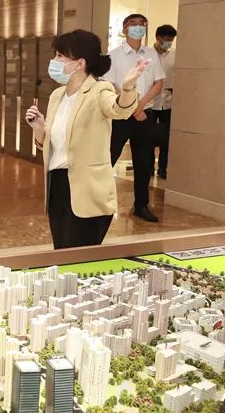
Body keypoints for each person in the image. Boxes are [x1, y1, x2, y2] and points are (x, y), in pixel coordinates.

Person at [25, 30, 147, 249]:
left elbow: (119, 109)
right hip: (57, 186)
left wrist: (128, 87)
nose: (54, 61)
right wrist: (40, 129)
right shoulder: (57, 96)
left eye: (60, 56)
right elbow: (52, 146)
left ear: (79, 63)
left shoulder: (99, 90)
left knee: (78, 258)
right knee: (61, 253)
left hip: (88, 191)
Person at [104, 14, 165, 223]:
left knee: (144, 162)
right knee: (108, 158)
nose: (138, 27)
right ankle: (99, 202)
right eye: (133, 24)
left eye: (142, 24)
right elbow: (110, 85)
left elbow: (158, 83)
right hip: (120, 116)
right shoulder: (114, 55)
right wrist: (130, 107)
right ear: (124, 29)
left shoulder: (151, 54)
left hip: (145, 115)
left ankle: (141, 205)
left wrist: (140, 105)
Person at [150, 24, 177, 180]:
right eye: (167, 39)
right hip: (150, 103)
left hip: (168, 103)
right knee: (148, 138)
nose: (169, 43)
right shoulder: (147, 55)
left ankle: (163, 168)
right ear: (158, 37)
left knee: (167, 139)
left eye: (171, 40)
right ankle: (148, 167)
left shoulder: (175, 55)